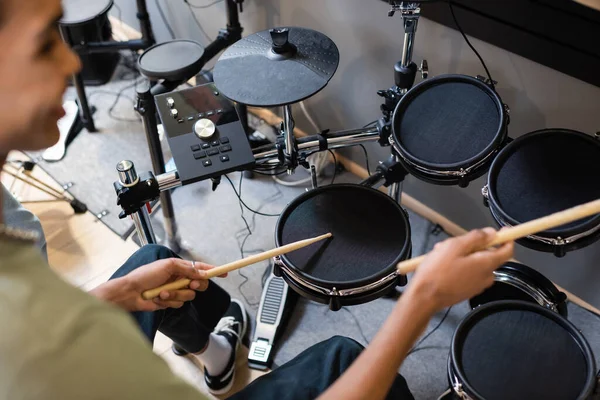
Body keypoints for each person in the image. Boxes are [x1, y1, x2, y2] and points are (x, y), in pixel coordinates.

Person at [0, 0, 514, 399]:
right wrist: (424, 299)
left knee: (159, 263)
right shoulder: (46, 346)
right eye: (44, 44)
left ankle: (220, 359)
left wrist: (118, 293)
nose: (73, 60)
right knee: (343, 358)